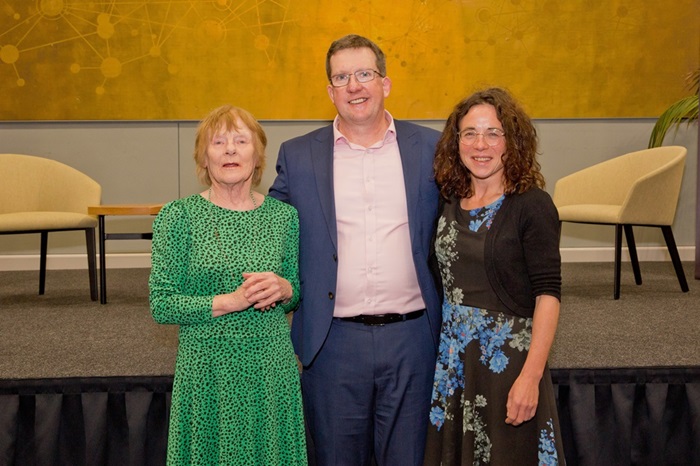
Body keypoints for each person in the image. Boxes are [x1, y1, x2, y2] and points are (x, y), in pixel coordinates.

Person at [268, 34, 442, 465]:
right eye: (341, 77)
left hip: (413, 340)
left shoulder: (433, 149)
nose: (354, 86)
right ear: (330, 92)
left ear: (386, 83)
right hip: (332, 343)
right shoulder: (298, 155)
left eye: (364, 74)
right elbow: (265, 227)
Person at [149, 105, 307, 465]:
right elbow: (162, 304)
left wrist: (284, 289)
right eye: (218, 142)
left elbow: (294, 293)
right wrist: (231, 301)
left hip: (270, 369)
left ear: (258, 155)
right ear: (204, 158)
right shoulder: (177, 216)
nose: (230, 150)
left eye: (241, 141)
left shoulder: (285, 217)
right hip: (207, 371)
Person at [423, 87, 566, 465]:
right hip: (454, 364)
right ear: (457, 143)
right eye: (470, 133)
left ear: (511, 141)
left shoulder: (532, 205)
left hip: (507, 366)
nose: (480, 144)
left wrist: (530, 378)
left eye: (493, 133)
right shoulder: (448, 198)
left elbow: (548, 295)